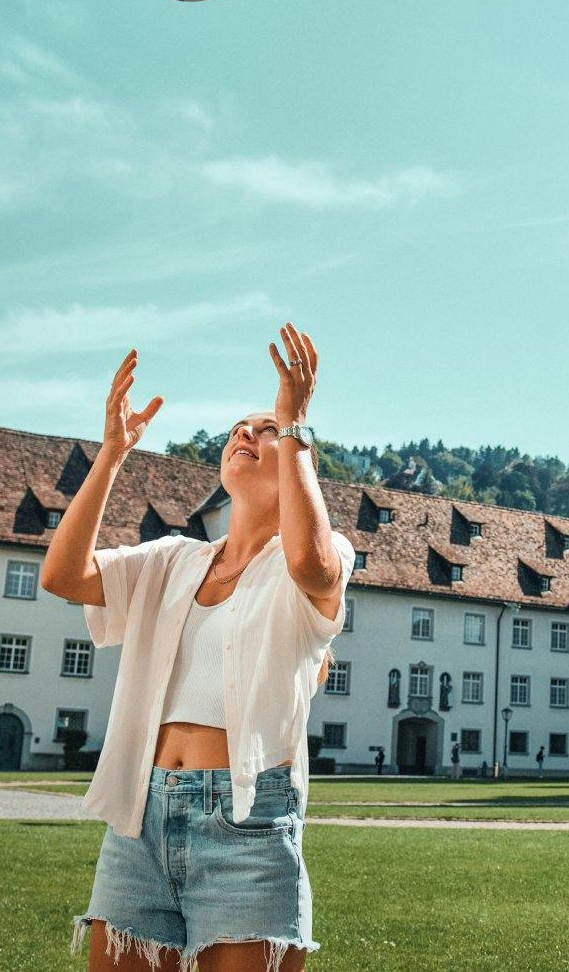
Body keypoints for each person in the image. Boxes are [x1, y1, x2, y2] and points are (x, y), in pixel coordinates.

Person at [43, 329, 354, 972]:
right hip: (140, 817)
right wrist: (111, 456)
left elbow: (311, 564)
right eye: (238, 428)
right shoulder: (172, 560)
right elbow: (63, 575)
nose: (246, 434)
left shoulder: (319, 559)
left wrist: (294, 422)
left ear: (298, 462)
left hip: (248, 824)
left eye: (265, 430)